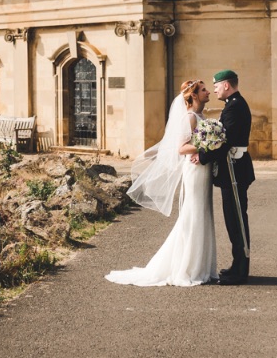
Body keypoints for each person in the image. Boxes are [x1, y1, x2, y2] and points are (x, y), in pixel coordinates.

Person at [105, 79, 218, 287]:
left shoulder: (202, 116)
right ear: (194, 95)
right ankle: (187, 267)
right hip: (194, 170)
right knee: (193, 213)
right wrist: (207, 144)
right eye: (203, 90)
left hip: (204, 171)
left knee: (204, 212)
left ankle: (201, 266)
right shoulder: (190, 117)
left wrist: (208, 144)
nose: (208, 92)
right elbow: (181, 148)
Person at [192, 69, 254, 285]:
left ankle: (241, 271)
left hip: (235, 171)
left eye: (217, 85)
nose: (215, 89)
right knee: (233, 220)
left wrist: (202, 156)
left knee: (236, 219)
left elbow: (225, 141)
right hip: (233, 170)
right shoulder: (234, 104)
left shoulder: (235, 106)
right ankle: (237, 265)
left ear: (226, 85)